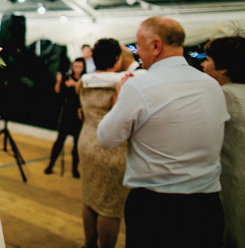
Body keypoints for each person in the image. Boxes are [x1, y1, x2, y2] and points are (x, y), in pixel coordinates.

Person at [97, 16, 228, 248]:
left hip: (157, 208)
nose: (136, 51)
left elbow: (106, 139)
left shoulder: (138, 86)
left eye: (138, 45)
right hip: (208, 205)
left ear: (156, 45)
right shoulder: (211, 85)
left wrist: (121, 94)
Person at [76, 38, 128, 248]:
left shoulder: (85, 81)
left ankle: (89, 244)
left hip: (86, 141)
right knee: (109, 207)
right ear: (116, 59)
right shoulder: (121, 83)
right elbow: (119, 114)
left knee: (89, 199)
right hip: (111, 148)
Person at [202, 36, 245, 248]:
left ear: (224, 68)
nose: (202, 63)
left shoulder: (223, 95)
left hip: (231, 179)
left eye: (208, 59)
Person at [44, 57, 85, 177]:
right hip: (67, 112)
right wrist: (58, 81)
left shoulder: (84, 79)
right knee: (60, 140)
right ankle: (50, 165)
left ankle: (75, 169)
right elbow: (58, 92)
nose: (77, 69)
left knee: (77, 143)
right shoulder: (68, 77)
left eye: (79, 67)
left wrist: (75, 84)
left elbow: (84, 92)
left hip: (79, 113)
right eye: (75, 66)